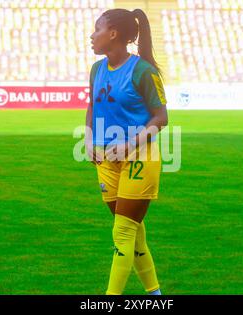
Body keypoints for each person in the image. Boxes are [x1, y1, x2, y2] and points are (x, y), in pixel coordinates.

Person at [85, 8, 168, 295]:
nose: (92, 35)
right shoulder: (96, 69)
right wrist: (88, 139)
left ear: (113, 33)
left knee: (122, 233)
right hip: (106, 160)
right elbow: (92, 107)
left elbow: (161, 118)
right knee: (134, 234)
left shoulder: (143, 71)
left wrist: (130, 143)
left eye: (97, 29)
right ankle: (155, 295)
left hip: (139, 159)